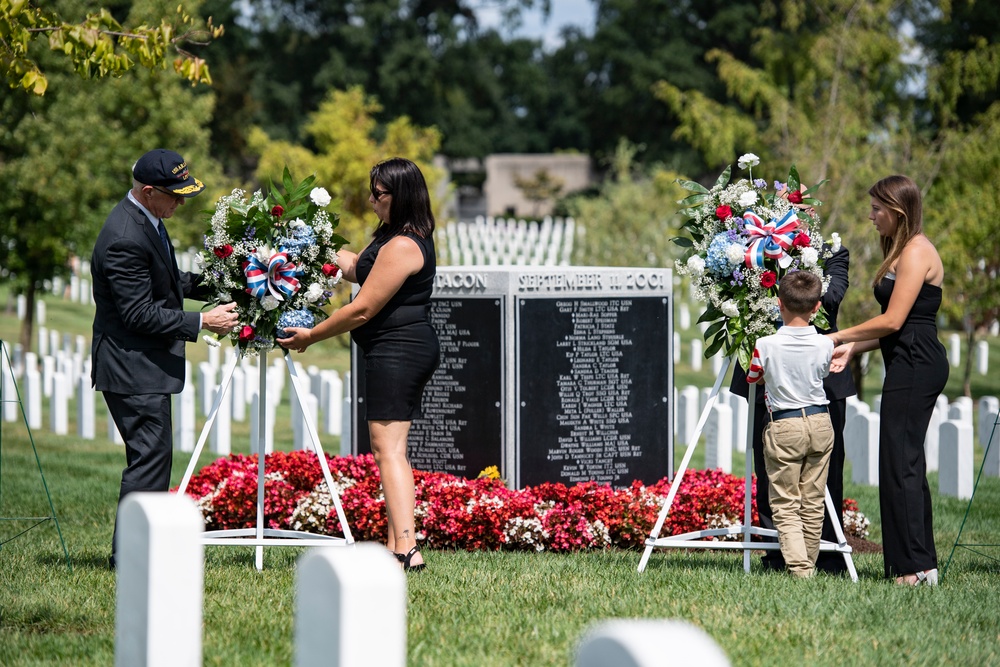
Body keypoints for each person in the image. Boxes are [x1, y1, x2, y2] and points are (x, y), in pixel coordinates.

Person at [278, 157, 439, 572]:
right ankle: (396, 544)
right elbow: (356, 268)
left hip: (399, 351)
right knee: (390, 448)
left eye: (378, 194)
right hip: (392, 350)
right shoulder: (392, 236)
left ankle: (406, 548)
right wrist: (311, 242)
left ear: (400, 196)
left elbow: (363, 308)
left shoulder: (404, 245)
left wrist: (311, 335)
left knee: (389, 450)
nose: (370, 201)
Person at [91, 148, 239, 569]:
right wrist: (202, 322)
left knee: (152, 460)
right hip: (131, 366)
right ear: (149, 190)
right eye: (175, 196)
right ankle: (131, 556)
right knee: (148, 462)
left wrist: (229, 279)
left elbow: (168, 282)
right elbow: (138, 313)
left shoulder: (148, 220)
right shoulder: (124, 237)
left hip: (143, 366)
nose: (181, 203)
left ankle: (139, 549)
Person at [828, 174, 947, 586]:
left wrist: (839, 336)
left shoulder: (916, 252)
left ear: (898, 210)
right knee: (901, 460)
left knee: (901, 462)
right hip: (905, 359)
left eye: (878, 208)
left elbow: (895, 320)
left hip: (917, 362)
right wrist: (854, 349)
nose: (871, 215)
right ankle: (919, 564)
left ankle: (913, 570)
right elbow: (899, 327)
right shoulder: (901, 249)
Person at [730, 226, 855, 574]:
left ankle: (806, 566)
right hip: (815, 413)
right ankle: (781, 556)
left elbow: (833, 296)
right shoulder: (749, 241)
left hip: (788, 407)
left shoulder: (833, 251)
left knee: (792, 493)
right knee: (795, 491)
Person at [746, 270, 835, 578]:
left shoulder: (765, 344)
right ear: (817, 306)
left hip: (784, 424)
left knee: (785, 501)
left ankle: (799, 569)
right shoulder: (825, 343)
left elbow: (753, 378)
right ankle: (808, 562)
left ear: (778, 303)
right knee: (813, 500)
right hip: (821, 420)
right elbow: (823, 373)